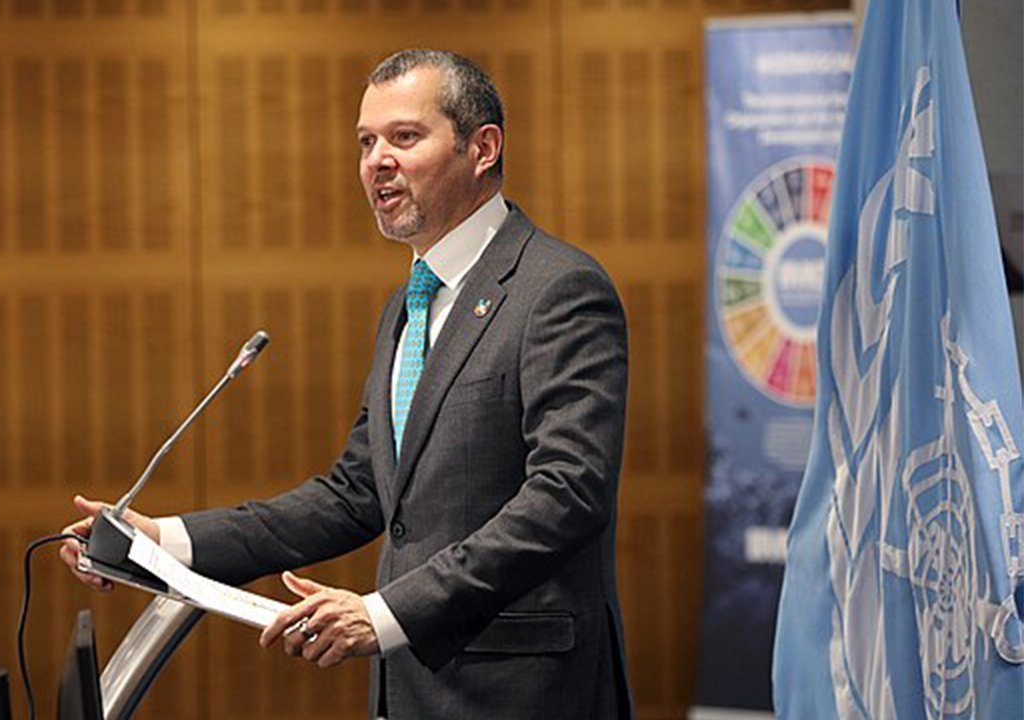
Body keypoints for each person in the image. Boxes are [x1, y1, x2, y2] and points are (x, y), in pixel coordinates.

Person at [60, 48, 631, 720]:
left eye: (404, 137)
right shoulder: (409, 307)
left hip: (523, 693)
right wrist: (165, 541)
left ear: (482, 148)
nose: (376, 161)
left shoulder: (557, 290)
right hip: (410, 690)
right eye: (366, 142)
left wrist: (387, 614)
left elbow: (568, 494)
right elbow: (358, 492)